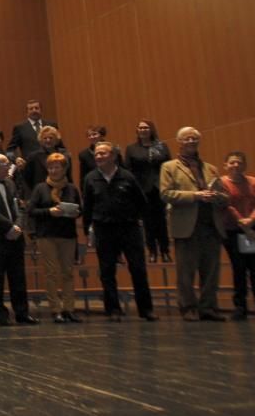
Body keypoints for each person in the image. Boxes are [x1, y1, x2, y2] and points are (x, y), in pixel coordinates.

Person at [83, 142, 158, 322]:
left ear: (113, 156)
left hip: (129, 228)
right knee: (107, 271)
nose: (98, 156)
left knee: (138, 269)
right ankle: (113, 309)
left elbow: (142, 203)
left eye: (102, 153)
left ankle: (146, 309)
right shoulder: (90, 178)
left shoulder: (127, 176)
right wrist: (88, 229)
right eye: (96, 154)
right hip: (103, 229)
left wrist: (136, 219)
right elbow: (88, 206)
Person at [160, 127, 229, 322]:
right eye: (187, 138)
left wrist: (217, 196)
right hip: (186, 226)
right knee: (186, 272)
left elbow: (226, 196)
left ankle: (208, 307)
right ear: (179, 142)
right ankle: (188, 307)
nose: (191, 141)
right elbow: (166, 194)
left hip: (211, 225)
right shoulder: (169, 167)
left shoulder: (210, 168)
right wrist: (196, 195)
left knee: (211, 271)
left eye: (195, 138)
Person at [0, 154, 38, 326]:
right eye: (5, 164)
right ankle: (0, 315)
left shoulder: (10, 183)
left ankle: (22, 313)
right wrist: (9, 227)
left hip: (15, 237)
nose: (8, 166)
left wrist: (17, 226)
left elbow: (19, 208)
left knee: (18, 278)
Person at [27, 153, 82, 323]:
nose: (53, 170)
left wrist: (74, 212)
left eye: (56, 167)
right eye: (50, 167)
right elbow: (31, 211)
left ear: (64, 169)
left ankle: (69, 308)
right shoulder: (40, 188)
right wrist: (49, 212)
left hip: (67, 234)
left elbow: (81, 209)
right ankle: (55, 309)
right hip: (47, 235)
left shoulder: (72, 188)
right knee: (51, 273)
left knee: (68, 273)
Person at [219, 151, 255, 320]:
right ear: (226, 165)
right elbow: (226, 204)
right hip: (232, 231)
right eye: (232, 162)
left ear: (244, 165)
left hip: (254, 230)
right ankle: (240, 307)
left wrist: (251, 221)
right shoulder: (222, 183)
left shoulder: (254, 182)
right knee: (238, 268)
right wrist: (242, 223)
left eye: (239, 162)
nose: (235, 165)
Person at [124, 119, 172, 263]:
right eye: (140, 128)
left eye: (146, 127)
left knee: (161, 221)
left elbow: (168, 166)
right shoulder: (132, 148)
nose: (143, 130)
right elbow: (128, 169)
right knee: (148, 222)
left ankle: (165, 251)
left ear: (151, 130)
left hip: (160, 187)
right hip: (142, 189)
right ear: (137, 131)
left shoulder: (162, 146)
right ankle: (152, 251)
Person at [22, 125, 72, 198]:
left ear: (56, 140)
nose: (48, 140)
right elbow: (27, 179)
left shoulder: (65, 154)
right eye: (45, 138)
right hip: (42, 194)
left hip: (63, 191)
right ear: (41, 140)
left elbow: (69, 175)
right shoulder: (33, 157)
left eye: (51, 138)